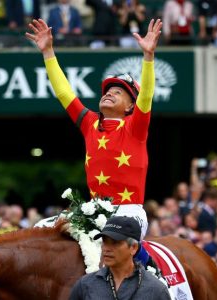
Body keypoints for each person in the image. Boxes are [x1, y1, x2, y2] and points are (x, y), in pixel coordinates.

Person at [25, 18, 162, 239]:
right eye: (107, 91)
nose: (108, 93)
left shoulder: (135, 126)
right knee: (40, 229)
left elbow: (145, 95)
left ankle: (146, 269)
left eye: (118, 93)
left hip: (129, 212)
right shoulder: (90, 123)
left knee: (108, 238)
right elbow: (64, 94)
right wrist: (48, 53)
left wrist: (148, 57)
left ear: (130, 106)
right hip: (93, 210)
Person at [68, 216, 171, 300]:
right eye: (104, 242)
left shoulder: (156, 290)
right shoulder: (85, 284)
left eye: (115, 243)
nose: (106, 249)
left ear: (133, 248)